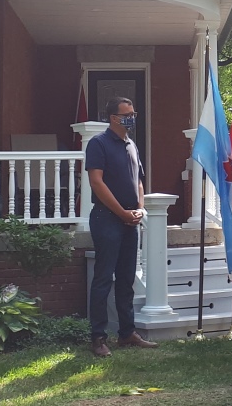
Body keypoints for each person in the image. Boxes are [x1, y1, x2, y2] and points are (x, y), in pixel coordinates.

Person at [86, 96, 157, 357]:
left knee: (127, 278)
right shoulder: (98, 143)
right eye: (128, 114)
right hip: (107, 218)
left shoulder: (132, 145)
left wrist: (138, 208)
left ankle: (127, 333)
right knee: (104, 278)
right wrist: (122, 213)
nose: (132, 117)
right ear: (114, 118)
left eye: (134, 113)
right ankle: (98, 337)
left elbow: (138, 180)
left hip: (130, 220)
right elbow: (97, 182)